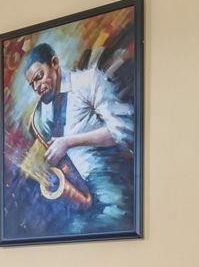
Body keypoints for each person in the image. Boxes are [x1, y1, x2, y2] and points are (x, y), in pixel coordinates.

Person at [16, 42, 135, 227]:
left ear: (54, 63)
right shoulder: (40, 115)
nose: (37, 87)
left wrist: (68, 142)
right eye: (32, 84)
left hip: (105, 180)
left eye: (39, 77)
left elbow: (121, 130)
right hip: (76, 191)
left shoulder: (88, 81)